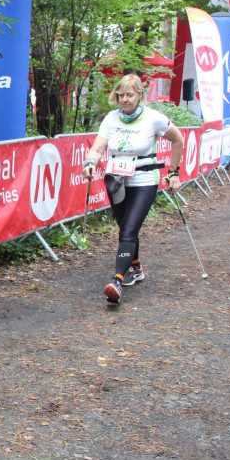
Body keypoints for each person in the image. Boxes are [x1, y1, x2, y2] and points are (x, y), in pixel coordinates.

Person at [82, 74, 184, 304]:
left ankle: (117, 280)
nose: (125, 99)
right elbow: (98, 147)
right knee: (124, 227)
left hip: (144, 179)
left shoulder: (153, 118)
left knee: (128, 230)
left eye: (130, 95)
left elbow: (178, 140)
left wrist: (174, 172)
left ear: (139, 95)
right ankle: (135, 267)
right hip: (116, 178)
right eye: (121, 95)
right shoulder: (110, 118)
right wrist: (89, 164)